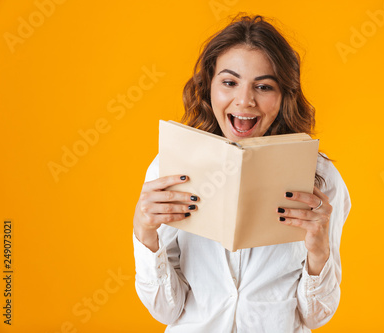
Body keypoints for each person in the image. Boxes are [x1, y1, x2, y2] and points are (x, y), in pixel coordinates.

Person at [132, 14, 351, 332]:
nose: (245, 100)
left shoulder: (319, 179)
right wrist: (145, 234)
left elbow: (315, 316)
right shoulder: (171, 169)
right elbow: (167, 310)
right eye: (229, 82)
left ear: (283, 96)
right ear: (209, 87)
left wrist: (319, 252)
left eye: (263, 86)